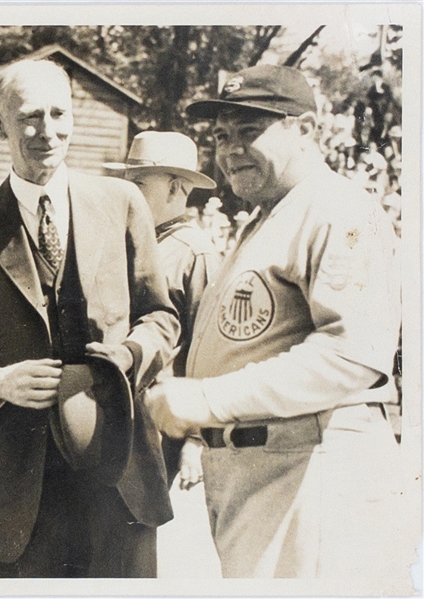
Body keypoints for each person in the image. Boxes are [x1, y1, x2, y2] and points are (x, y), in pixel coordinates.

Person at [144, 64, 404, 579]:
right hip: (262, 478)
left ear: (305, 130)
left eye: (250, 130)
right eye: (222, 135)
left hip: (315, 480)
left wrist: (206, 398)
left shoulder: (338, 210)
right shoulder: (273, 215)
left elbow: (350, 355)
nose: (231, 149)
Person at [0, 59, 179, 578]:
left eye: (58, 114)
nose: (48, 131)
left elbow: (161, 318)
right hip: (23, 488)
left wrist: (132, 352)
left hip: (120, 469)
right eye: (30, 118)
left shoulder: (122, 203)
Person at [103, 130, 220, 490]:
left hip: (157, 420)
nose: (128, 192)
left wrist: (196, 440)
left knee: (131, 530)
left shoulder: (194, 253)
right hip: (112, 407)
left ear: (175, 189)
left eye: (140, 183)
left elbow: (210, 351)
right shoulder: (124, 239)